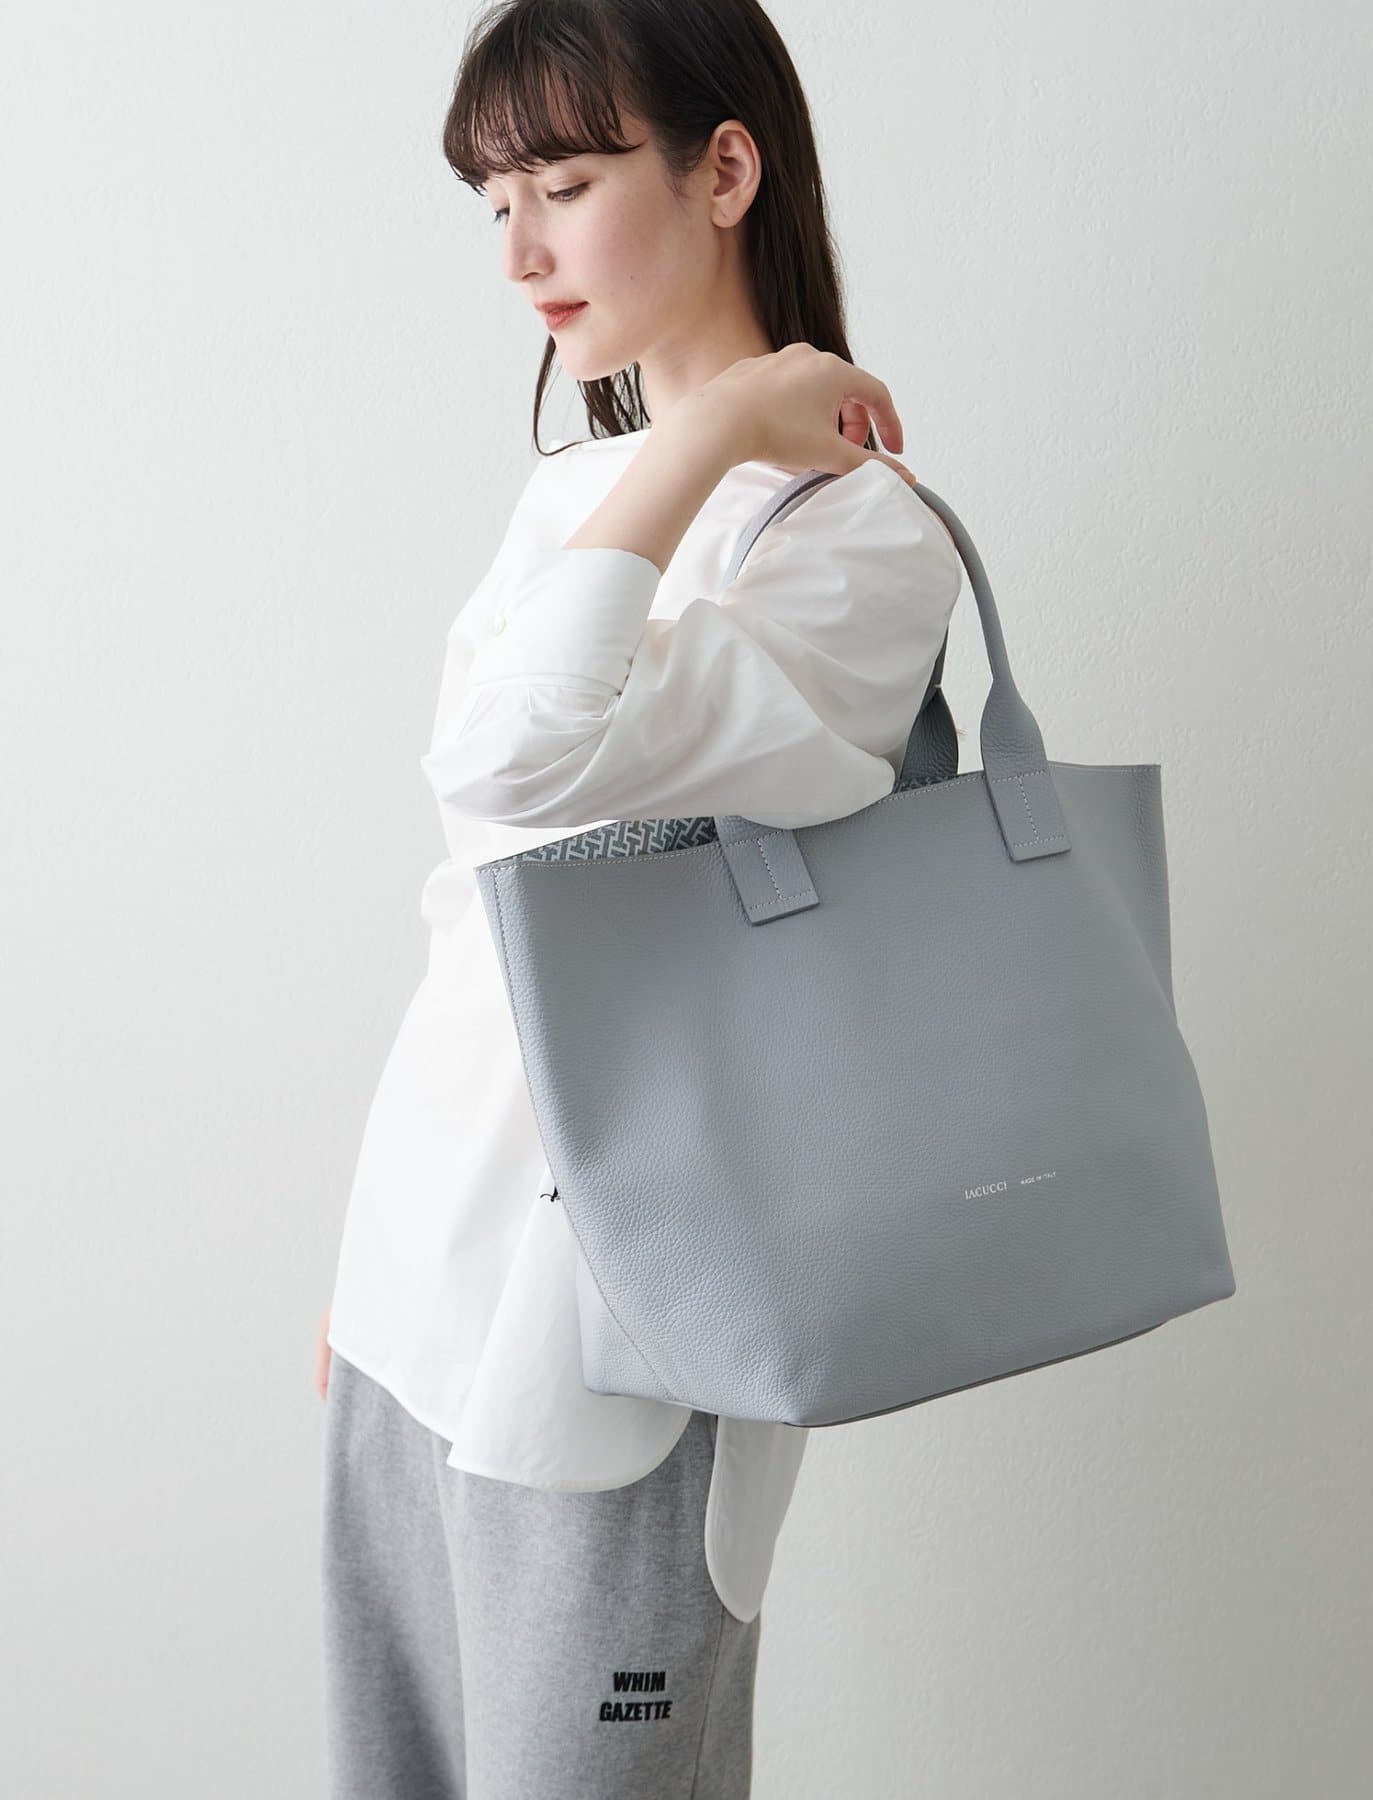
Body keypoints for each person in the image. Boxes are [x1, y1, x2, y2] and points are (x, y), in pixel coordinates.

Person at [316, 2, 964, 1794]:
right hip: (413, 1301)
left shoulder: (861, 542)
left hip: (608, 1353)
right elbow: (472, 897)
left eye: (565, 184)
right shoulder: (573, 501)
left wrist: (732, 422)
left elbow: (521, 750)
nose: (519, 251)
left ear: (724, 169)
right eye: (494, 201)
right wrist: (367, 1258)